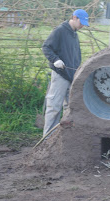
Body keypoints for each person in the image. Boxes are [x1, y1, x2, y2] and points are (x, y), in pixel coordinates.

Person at [42, 9, 89, 137]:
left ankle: (63, 138)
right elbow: (46, 47)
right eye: (81, 22)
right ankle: (47, 139)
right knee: (54, 106)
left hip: (72, 77)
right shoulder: (60, 31)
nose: (82, 26)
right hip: (60, 75)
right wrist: (55, 60)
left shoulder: (74, 34)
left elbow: (75, 56)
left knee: (70, 108)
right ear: (74, 18)